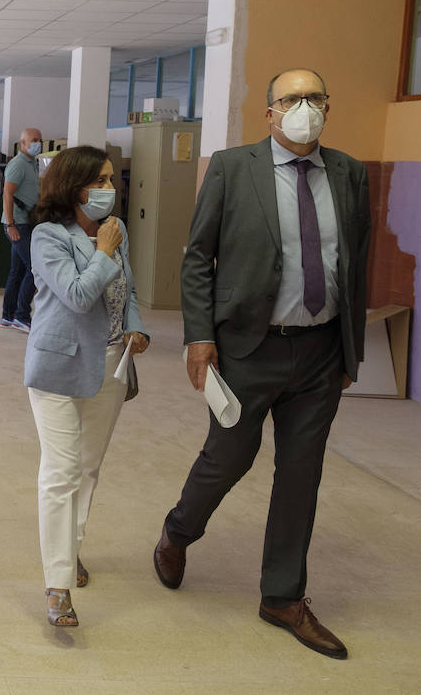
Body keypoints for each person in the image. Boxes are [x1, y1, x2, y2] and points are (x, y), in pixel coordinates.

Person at [154, 68, 369, 660]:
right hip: (249, 346)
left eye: (315, 97)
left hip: (321, 351)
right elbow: (198, 257)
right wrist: (199, 337)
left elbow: (357, 262)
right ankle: (179, 530)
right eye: (292, 99)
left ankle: (283, 596)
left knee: (302, 475)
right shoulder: (231, 167)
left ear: (329, 105)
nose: (305, 108)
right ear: (270, 113)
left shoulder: (349, 173)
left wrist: (352, 349)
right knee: (227, 458)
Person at [23, 146, 148, 628]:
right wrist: (104, 250)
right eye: (101, 180)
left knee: (88, 468)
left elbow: (128, 291)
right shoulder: (48, 236)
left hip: (111, 364)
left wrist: (136, 327)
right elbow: (77, 296)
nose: (110, 189)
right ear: (75, 186)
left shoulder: (116, 232)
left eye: (112, 180)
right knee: (61, 470)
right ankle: (57, 586)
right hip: (57, 368)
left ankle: (70, 549)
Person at [1, 128, 44, 332]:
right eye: (34, 140)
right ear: (23, 144)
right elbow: (7, 194)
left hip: (27, 222)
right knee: (35, 268)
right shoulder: (18, 164)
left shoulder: (33, 164)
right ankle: (22, 316)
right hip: (18, 224)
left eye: (39, 140)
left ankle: (8, 316)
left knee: (17, 271)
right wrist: (10, 225)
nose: (38, 143)